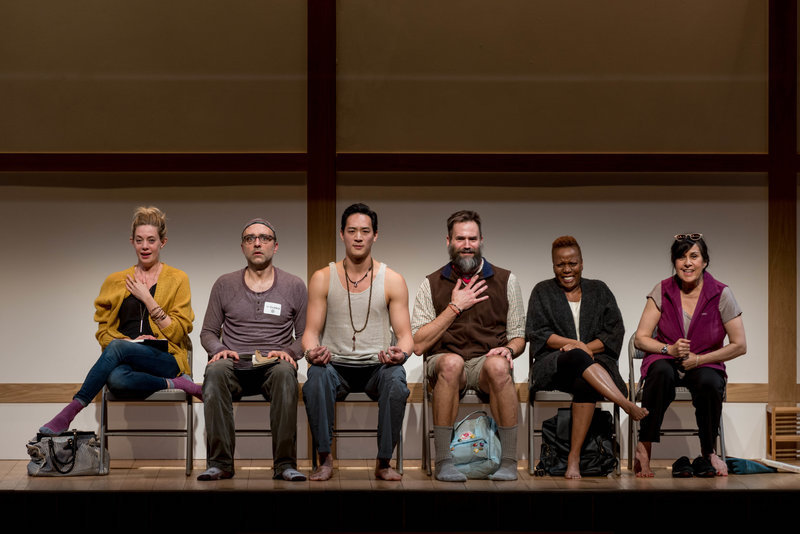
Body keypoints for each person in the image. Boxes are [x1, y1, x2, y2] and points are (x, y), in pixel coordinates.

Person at [39, 206, 199, 435]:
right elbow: (104, 334)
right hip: (130, 357)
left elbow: (179, 332)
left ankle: (71, 410)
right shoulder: (114, 282)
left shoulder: (177, 279)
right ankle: (178, 384)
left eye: (151, 240)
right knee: (116, 380)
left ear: (162, 242)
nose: (145, 246)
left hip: (166, 358)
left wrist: (147, 299)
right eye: (139, 240)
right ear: (132, 241)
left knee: (117, 348)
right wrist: (129, 343)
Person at [411, 210, 525, 482]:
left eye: (472, 238)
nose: (466, 244)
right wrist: (454, 308)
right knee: (452, 363)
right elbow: (418, 344)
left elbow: (519, 336)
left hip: (485, 362)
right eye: (460, 238)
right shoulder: (431, 283)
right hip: (445, 361)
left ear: (481, 240)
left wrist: (509, 350)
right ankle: (443, 462)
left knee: (499, 366)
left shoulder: (506, 279)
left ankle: (508, 462)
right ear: (448, 241)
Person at [303, 203, 413, 481]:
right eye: (352, 230)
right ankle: (325, 458)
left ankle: (384, 461)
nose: (358, 237)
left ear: (375, 235)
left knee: (397, 380)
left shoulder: (393, 279)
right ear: (342, 234)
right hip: (334, 365)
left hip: (377, 366)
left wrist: (402, 353)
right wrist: (311, 351)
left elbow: (405, 336)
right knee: (315, 376)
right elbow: (310, 332)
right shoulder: (322, 277)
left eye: (365, 231)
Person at [526, 236, 648, 479]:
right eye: (561, 264)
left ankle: (574, 458)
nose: (567, 269)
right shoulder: (543, 291)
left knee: (586, 384)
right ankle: (625, 404)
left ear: (582, 263)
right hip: (555, 365)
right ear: (553, 266)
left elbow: (614, 331)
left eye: (572, 263)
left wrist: (584, 348)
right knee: (575, 357)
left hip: (595, 366)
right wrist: (575, 346)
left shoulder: (599, 290)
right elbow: (538, 333)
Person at [198, 218, 307, 481]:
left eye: (264, 238)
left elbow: (305, 336)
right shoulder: (224, 284)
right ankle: (220, 463)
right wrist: (218, 349)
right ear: (243, 246)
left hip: (272, 367)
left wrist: (290, 353)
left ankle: (285, 465)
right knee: (214, 371)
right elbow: (208, 332)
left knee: (284, 372)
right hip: (234, 366)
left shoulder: (294, 285)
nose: (257, 243)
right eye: (250, 239)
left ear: (275, 246)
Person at [633, 233, 746, 477]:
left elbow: (739, 345)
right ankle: (645, 445)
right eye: (681, 257)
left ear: (705, 261)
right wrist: (668, 349)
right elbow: (640, 338)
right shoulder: (662, 289)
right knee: (660, 372)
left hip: (705, 361)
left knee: (709, 381)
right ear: (674, 262)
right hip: (666, 359)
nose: (687, 263)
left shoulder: (721, 293)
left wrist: (700, 359)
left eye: (694, 256)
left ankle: (708, 450)